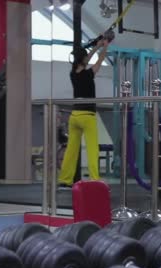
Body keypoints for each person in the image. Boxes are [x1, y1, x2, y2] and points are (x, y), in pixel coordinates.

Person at [58, 38, 109, 188]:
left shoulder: (73, 73)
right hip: (88, 116)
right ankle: (94, 179)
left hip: (75, 116)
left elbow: (85, 59)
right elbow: (100, 60)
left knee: (71, 150)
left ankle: (65, 179)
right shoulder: (89, 74)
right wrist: (104, 47)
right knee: (93, 148)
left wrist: (97, 46)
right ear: (83, 59)